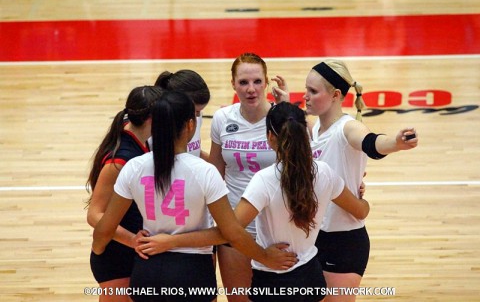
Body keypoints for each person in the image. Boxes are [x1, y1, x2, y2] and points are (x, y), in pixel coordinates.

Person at [133, 102, 369, 302]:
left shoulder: (265, 180)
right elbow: (361, 211)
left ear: (269, 137)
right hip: (310, 277)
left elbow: (228, 232)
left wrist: (170, 241)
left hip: (272, 281)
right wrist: (360, 194)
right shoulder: (325, 172)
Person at [92, 91, 296, 302]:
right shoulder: (204, 172)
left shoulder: (133, 167)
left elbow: (103, 230)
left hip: (147, 271)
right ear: (190, 125)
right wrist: (265, 257)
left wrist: (127, 244)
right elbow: (231, 232)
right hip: (192, 274)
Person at [304, 59, 419, 302]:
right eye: (306, 90)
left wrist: (395, 143)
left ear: (336, 95)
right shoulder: (317, 130)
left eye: (313, 91)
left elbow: (371, 142)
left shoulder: (348, 128)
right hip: (316, 237)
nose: (306, 96)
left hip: (343, 240)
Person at [208, 52, 288, 302]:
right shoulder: (223, 119)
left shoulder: (282, 118)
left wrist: (287, 108)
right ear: (233, 84)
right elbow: (214, 171)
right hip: (235, 225)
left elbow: (307, 165)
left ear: (266, 83)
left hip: (277, 227)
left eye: (257, 82)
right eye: (243, 82)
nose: (251, 89)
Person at [86, 85, 164, 302]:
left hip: (130, 250)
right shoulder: (121, 160)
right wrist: (133, 240)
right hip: (117, 255)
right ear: (151, 119)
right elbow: (95, 214)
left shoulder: (133, 134)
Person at [153, 69, 210, 160]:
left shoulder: (195, 117)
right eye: (195, 112)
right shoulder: (154, 130)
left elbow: (194, 152)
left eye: (199, 112)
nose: (197, 116)